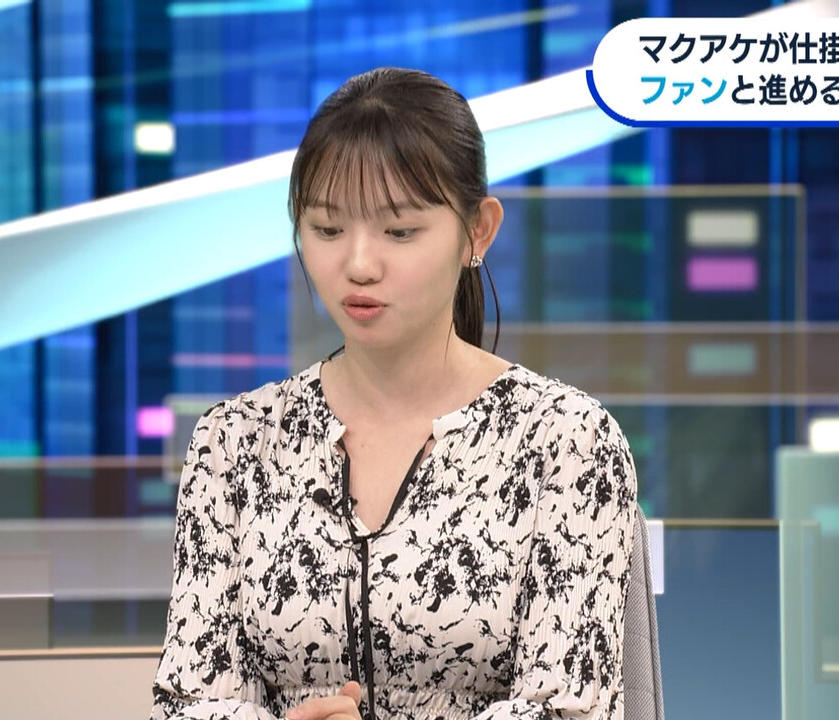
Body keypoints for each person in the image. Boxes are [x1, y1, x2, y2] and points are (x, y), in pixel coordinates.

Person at [152, 67, 641, 720]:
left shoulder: (566, 441)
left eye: (399, 231)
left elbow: (569, 709)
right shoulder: (234, 444)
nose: (358, 265)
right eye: (328, 230)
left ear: (478, 231)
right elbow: (186, 702)